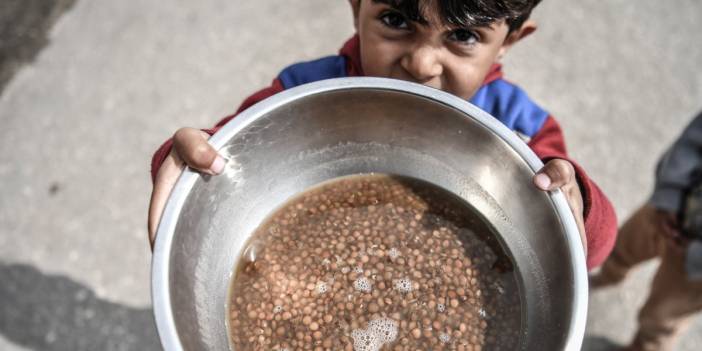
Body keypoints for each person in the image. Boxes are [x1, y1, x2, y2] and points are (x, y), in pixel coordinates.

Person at [147, 0, 617, 270]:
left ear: (511, 40)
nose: (422, 64)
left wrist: (575, 199)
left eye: (464, 36)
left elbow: (591, 251)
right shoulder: (302, 94)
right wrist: (188, 159)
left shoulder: (522, 129)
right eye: (396, 20)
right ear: (356, 7)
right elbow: (224, 159)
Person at [590, 112, 702, 351]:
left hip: (696, 273)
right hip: (672, 207)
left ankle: (643, 346)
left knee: (661, 318)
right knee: (621, 247)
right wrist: (670, 195)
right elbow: (693, 142)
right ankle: (610, 276)